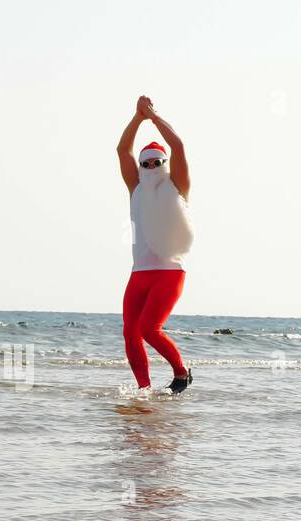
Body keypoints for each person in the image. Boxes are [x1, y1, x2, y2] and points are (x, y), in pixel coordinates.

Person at [117, 95, 195, 393]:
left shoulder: (177, 186)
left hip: (169, 272)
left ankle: (181, 371)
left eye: (157, 162)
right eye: (146, 163)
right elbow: (122, 149)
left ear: (165, 164)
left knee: (149, 329)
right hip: (139, 273)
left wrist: (152, 115)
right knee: (130, 333)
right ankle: (144, 391)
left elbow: (178, 147)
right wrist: (137, 118)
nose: (151, 166)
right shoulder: (135, 187)